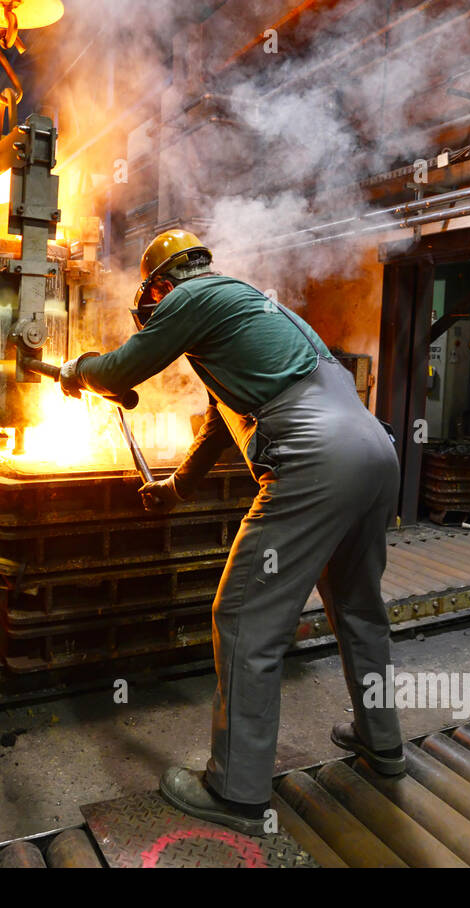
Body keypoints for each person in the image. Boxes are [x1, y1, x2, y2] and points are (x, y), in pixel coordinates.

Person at [59, 229, 406, 836]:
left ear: (161, 286)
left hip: (317, 458)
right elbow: (222, 428)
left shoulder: (193, 297)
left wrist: (78, 369)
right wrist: (174, 489)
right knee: (358, 608)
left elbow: (123, 366)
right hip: (374, 451)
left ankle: (237, 792)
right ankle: (382, 742)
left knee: (244, 617)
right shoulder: (249, 315)